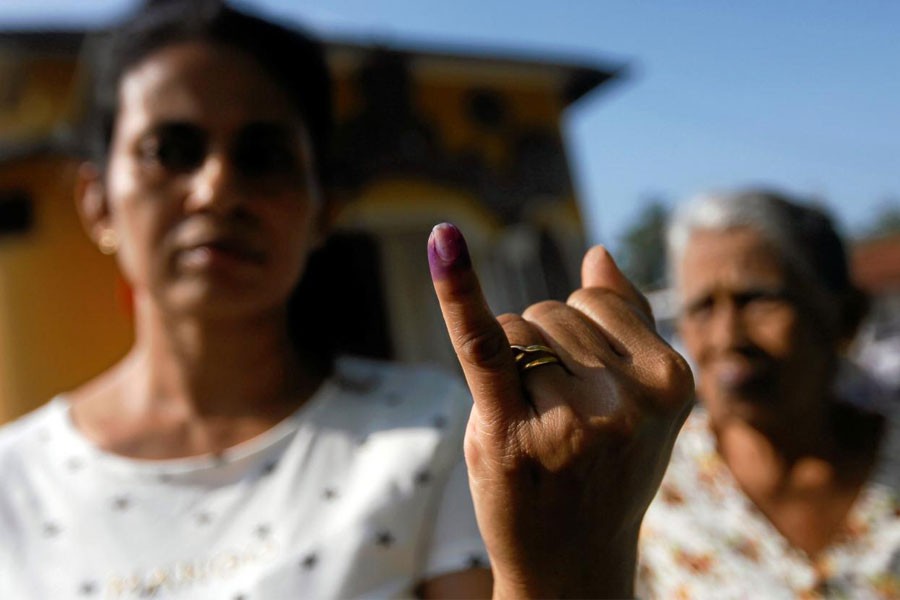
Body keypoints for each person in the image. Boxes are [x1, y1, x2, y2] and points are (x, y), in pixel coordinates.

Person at [0, 1, 692, 598]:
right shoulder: (14, 486)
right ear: (96, 203)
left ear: (322, 207)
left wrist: (575, 567)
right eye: (170, 149)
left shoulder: (440, 435)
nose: (216, 189)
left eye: (263, 154)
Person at [637, 189, 900, 598]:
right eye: (703, 307)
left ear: (844, 316)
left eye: (758, 300)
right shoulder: (649, 489)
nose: (727, 337)